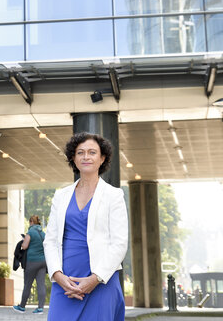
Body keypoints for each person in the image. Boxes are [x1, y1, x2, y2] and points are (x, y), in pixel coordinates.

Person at [43, 132, 128, 321]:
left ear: (102, 158)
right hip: (65, 284)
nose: (86, 157)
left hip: (101, 282)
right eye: (80, 152)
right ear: (73, 158)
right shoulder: (61, 195)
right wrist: (57, 275)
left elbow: (119, 244)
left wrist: (95, 279)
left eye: (92, 152)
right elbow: (49, 241)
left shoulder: (113, 195)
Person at [13, 215, 47, 314]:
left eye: (29, 222)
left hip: (32, 261)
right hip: (43, 262)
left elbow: (24, 246)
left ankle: (22, 306)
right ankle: (40, 308)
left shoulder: (30, 232)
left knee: (27, 284)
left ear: (32, 222)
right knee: (41, 285)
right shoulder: (43, 234)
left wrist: (22, 243)